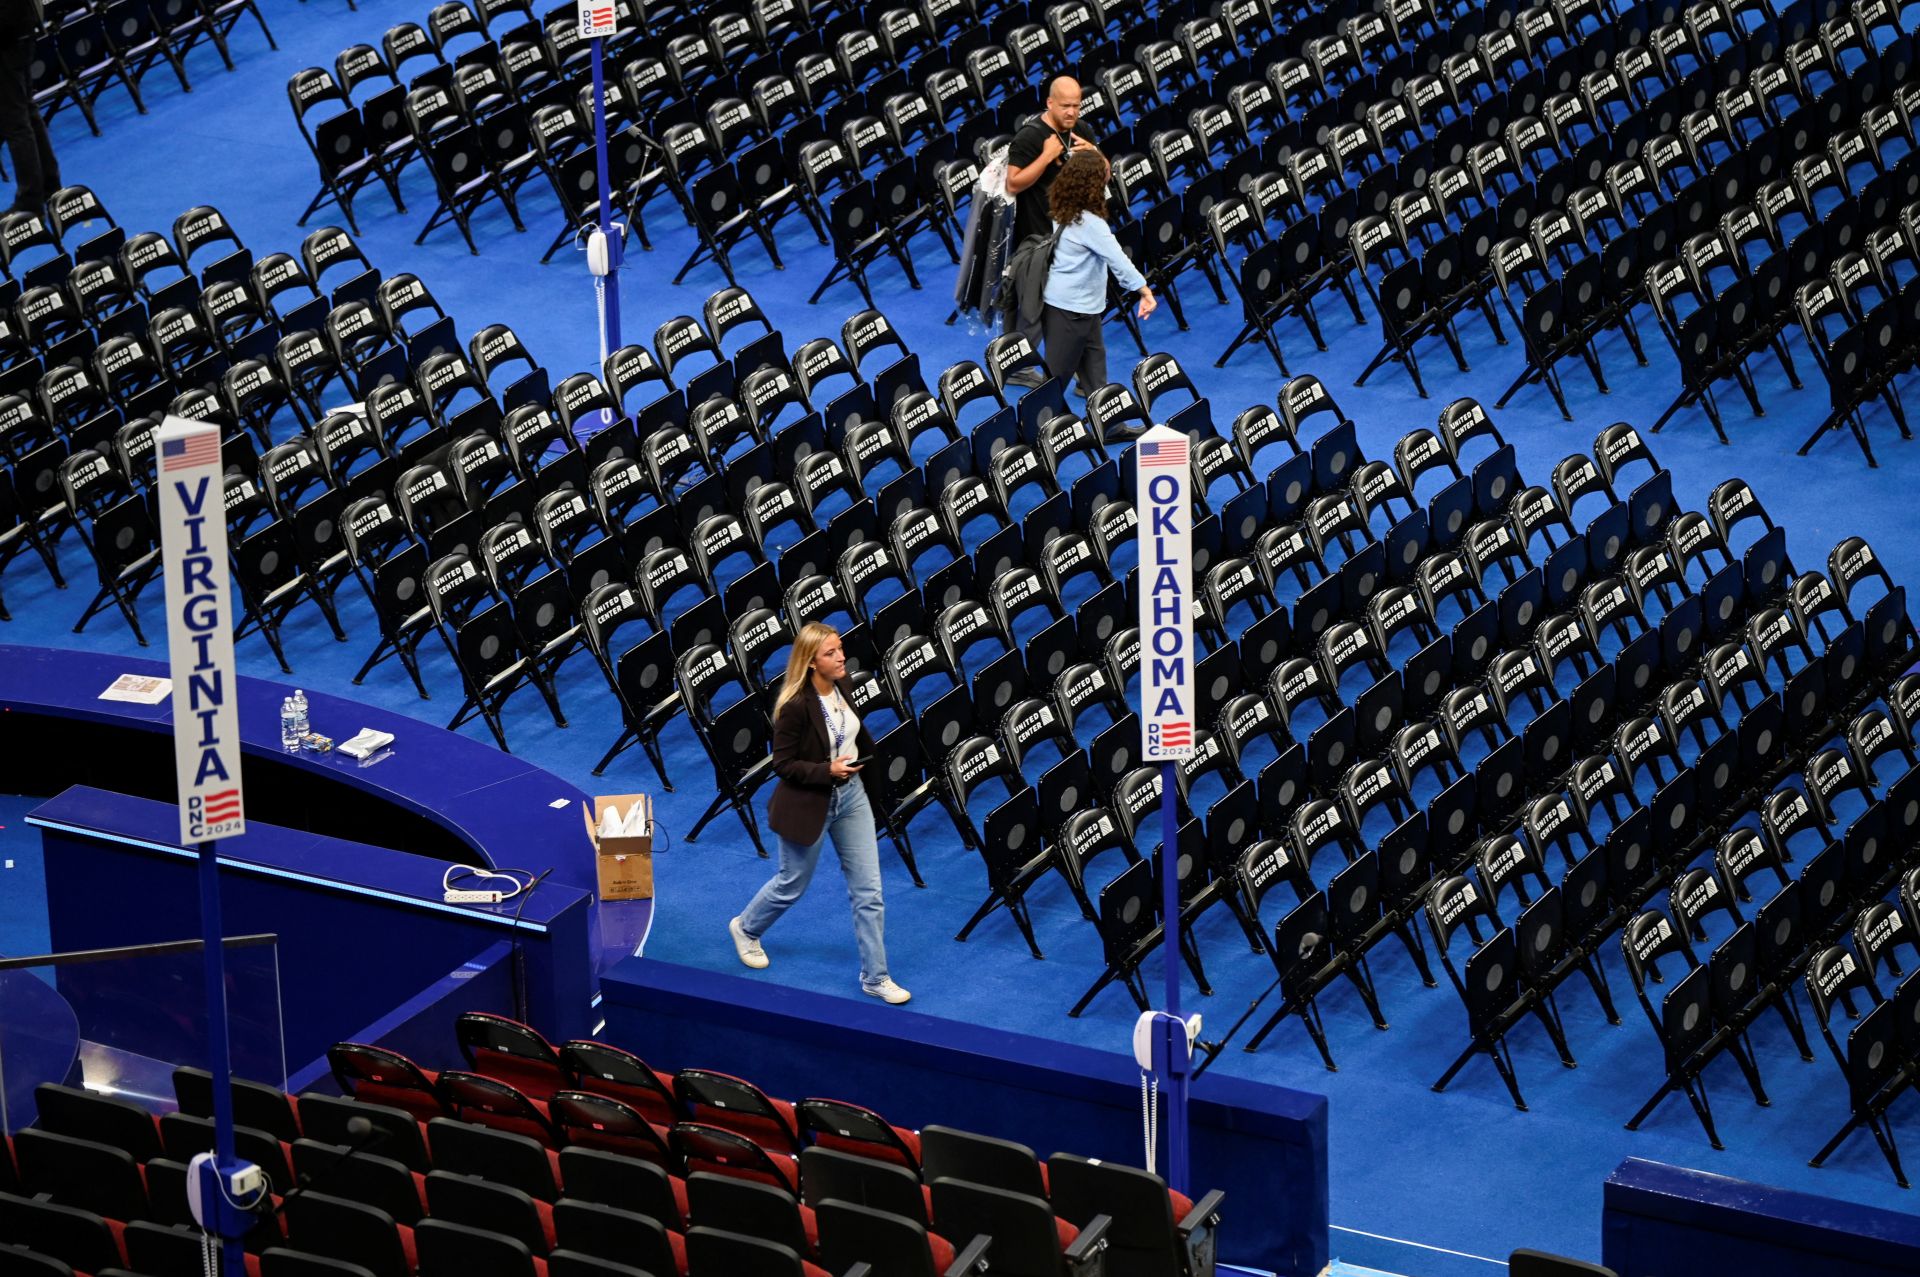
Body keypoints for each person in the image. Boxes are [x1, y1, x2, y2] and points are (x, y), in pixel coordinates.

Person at [729, 623, 910, 1005]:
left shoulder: (843, 686)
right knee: (791, 883)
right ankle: (746, 928)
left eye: (840, 649)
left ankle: (875, 977)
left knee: (869, 891)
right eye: (831, 653)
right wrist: (826, 771)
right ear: (812, 662)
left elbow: (850, 734)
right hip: (810, 801)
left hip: (852, 797)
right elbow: (782, 764)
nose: (841, 657)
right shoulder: (795, 707)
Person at [1040, 148, 1156, 400]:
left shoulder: (1064, 203)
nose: (1109, 175)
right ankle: (1033, 433)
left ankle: (1107, 425)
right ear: (1092, 183)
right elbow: (1119, 261)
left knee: (1094, 375)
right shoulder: (1090, 224)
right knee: (1054, 381)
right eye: (1105, 173)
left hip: (1085, 308)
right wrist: (1145, 292)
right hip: (1069, 310)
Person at [1002, 76, 1097, 376]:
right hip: (1036, 240)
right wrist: (1046, 156)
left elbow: (1103, 175)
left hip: (1071, 235)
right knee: (1033, 311)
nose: (1072, 112)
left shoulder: (1081, 131)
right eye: (1065, 106)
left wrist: (1095, 155)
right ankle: (1017, 368)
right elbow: (1013, 183)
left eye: (1076, 106)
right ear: (1050, 103)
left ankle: (1086, 376)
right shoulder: (1029, 137)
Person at [0, 4, 57, 216]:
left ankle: (30, 200)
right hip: (23, 28)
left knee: (16, 123)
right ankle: (51, 186)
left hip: (6, 37)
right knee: (28, 111)